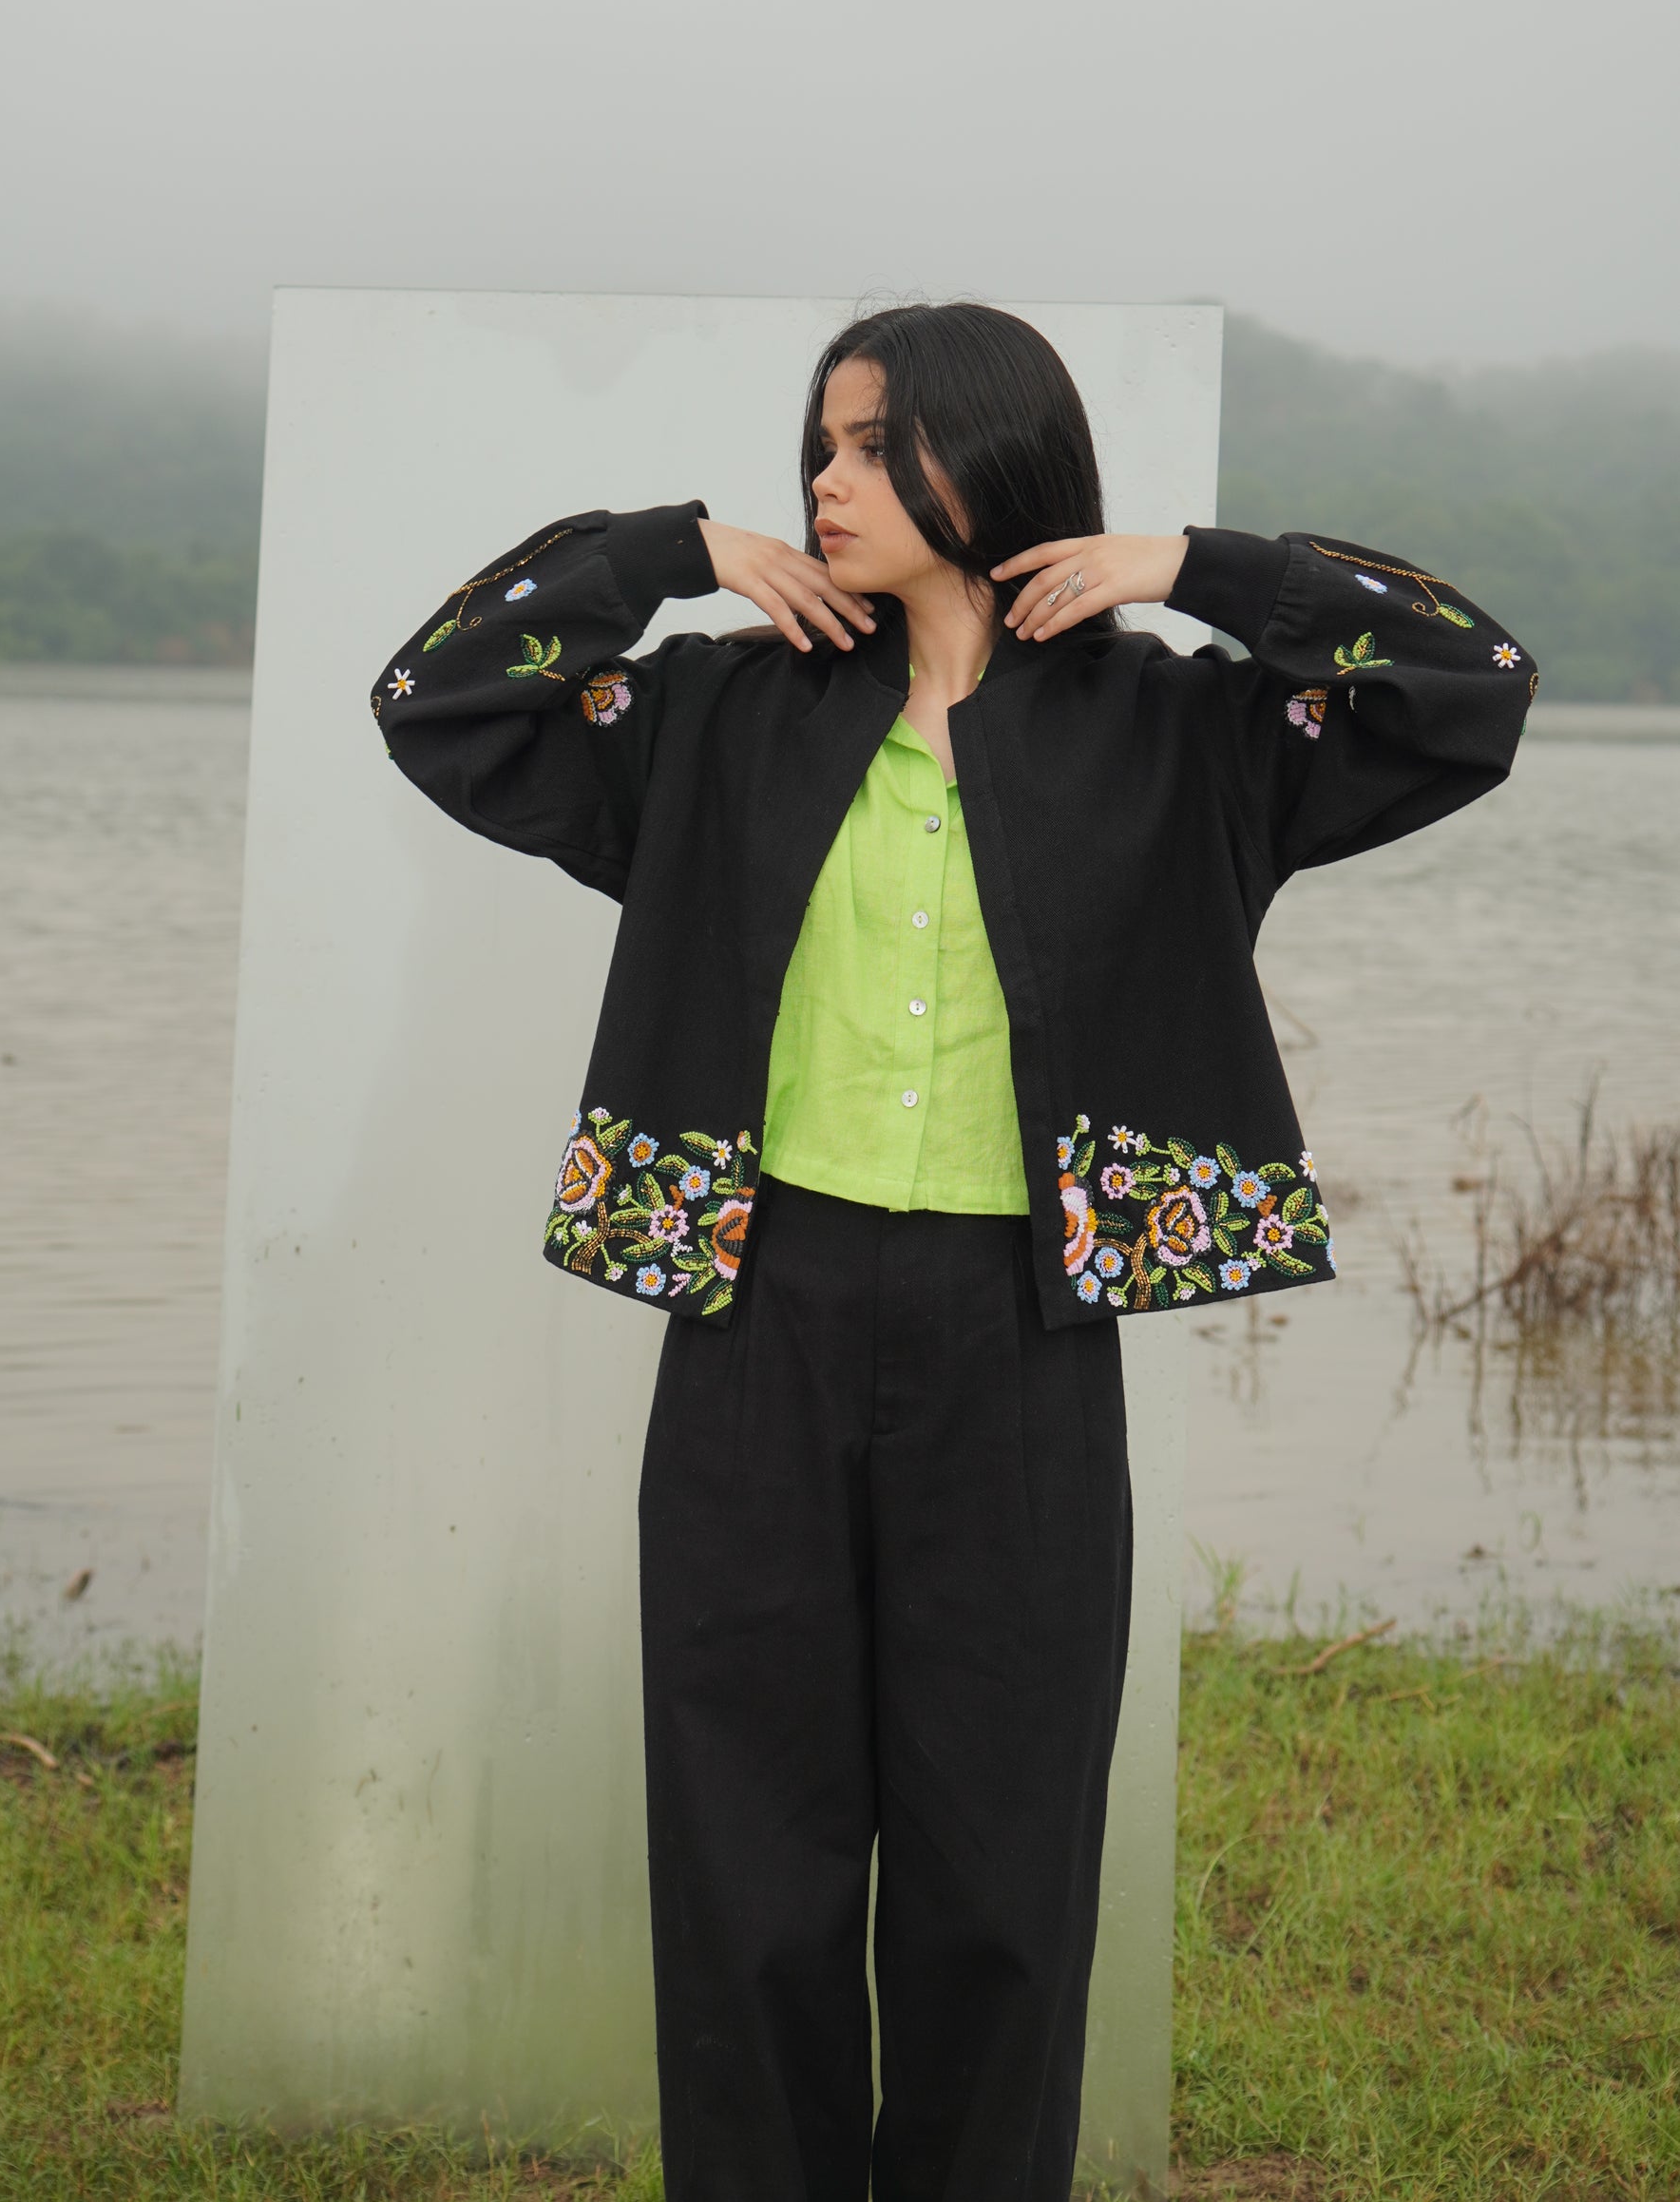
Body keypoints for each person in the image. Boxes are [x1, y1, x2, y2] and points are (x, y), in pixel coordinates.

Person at [370, 301, 1535, 2202]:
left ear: (981, 460)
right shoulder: (715, 712)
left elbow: (1468, 679)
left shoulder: (1179, 726)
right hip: (756, 1327)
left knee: (1002, 1869)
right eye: (812, 447)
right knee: (750, 1851)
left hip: (1020, 1333)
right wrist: (661, 558)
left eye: (862, 446)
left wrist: (1200, 567)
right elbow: (437, 691)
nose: (819, 484)